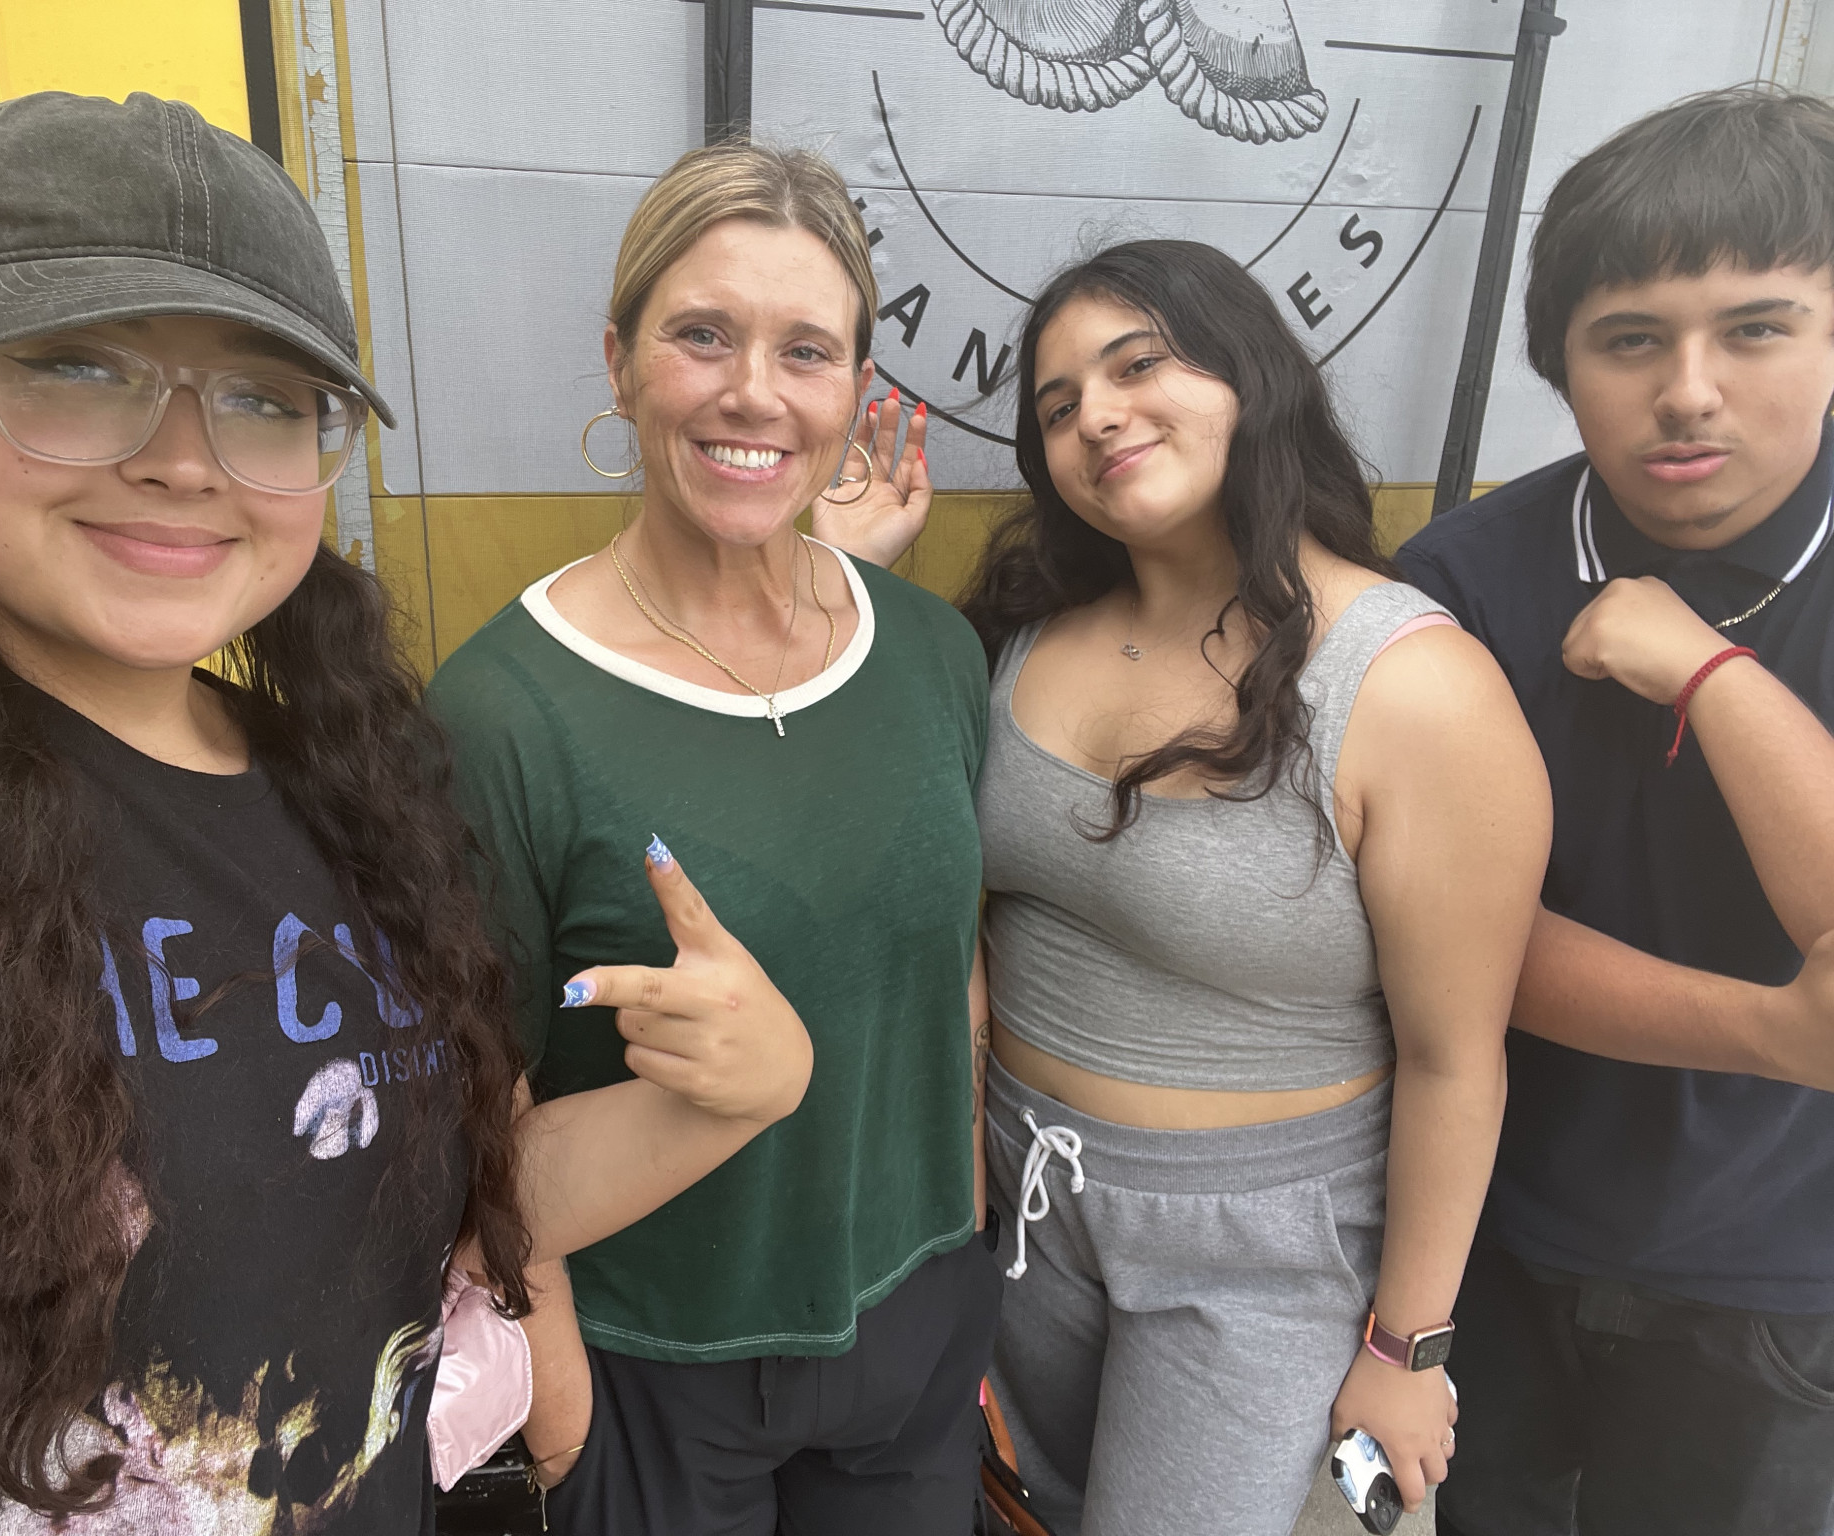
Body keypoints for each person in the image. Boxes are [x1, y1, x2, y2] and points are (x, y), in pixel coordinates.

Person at [0, 93, 813, 1534]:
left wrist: (735, 1098)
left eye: (264, 398)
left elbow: (452, 1200)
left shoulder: (354, 793)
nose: (185, 458)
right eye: (77, 367)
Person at [426, 141, 997, 1536]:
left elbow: (952, 983)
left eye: (806, 350)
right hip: (655, 1369)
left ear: (855, 389)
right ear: (619, 362)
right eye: (701, 335)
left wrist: (962, 1263)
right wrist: (566, 1431)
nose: (754, 391)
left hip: (916, 1333)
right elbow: (476, 1125)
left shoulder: (932, 652)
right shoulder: (503, 712)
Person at [961, 239, 1551, 1536]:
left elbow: (1457, 1058)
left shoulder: (1412, 688)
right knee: (1023, 1515)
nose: (1096, 415)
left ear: (1252, 378)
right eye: (1057, 405)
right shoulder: (1019, 629)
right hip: (1023, 1199)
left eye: (1137, 366)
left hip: (1262, 1253)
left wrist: (1408, 1349)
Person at [1395, 86, 1834, 1536]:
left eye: (1756, 329)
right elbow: (1447, 939)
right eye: (1631, 339)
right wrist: (1777, 1031)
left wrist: (1710, 674)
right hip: (1498, 1232)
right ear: (1563, 362)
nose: (1689, 390)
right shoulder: (1460, 581)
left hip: (1780, 1272)